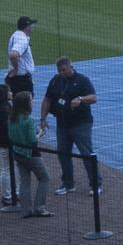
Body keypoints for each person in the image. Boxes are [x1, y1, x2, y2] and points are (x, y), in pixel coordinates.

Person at [38, 57, 101, 195]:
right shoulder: (55, 80)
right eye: (59, 70)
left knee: (86, 154)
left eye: (64, 70)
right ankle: (68, 184)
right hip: (62, 124)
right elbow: (47, 100)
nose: (62, 73)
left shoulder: (82, 80)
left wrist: (81, 99)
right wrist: (43, 118)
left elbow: (94, 98)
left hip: (81, 124)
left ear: (71, 67)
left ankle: (96, 184)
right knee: (63, 154)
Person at [8, 94, 54, 217]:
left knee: (24, 180)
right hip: (31, 154)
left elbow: (12, 136)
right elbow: (32, 141)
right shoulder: (28, 120)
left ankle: (26, 210)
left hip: (17, 152)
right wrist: (40, 134)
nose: (32, 103)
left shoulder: (11, 118)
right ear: (26, 104)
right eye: (31, 101)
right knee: (44, 178)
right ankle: (40, 207)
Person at [6, 15, 37, 99]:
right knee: (23, 108)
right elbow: (13, 55)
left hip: (15, 79)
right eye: (30, 25)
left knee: (13, 106)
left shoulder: (15, 35)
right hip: (21, 82)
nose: (32, 27)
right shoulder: (22, 39)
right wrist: (16, 69)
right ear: (26, 27)